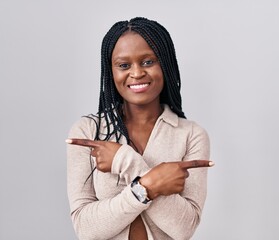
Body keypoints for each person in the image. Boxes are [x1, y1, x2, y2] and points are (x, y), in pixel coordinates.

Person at [66, 17, 214, 240]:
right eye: (124, 65)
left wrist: (124, 161)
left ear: (165, 64)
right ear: (111, 72)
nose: (136, 73)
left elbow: (184, 228)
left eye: (148, 62)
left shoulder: (191, 135)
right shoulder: (88, 132)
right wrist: (149, 186)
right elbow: (86, 229)